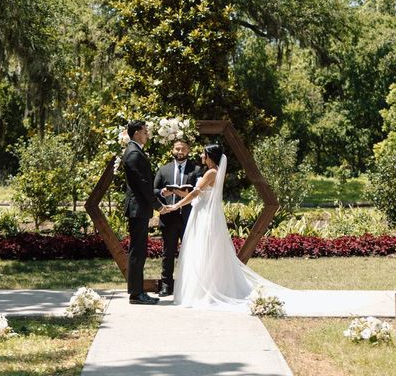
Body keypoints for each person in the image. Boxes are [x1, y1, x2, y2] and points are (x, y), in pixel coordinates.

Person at [161, 143, 287, 310]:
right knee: (208, 251)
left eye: (203, 154)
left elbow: (196, 193)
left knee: (201, 251)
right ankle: (208, 287)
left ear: (210, 157)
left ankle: (203, 290)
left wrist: (177, 206)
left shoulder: (211, 172)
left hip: (204, 214)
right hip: (204, 211)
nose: (201, 157)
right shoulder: (216, 171)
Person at [121, 119, 164, 305]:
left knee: (138, 251)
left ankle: (136, 291)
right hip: (138, 209)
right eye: (145, 131)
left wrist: (159, 193)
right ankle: (136, 294)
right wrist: (158, 205)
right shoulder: (133, 154)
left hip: (139, 208)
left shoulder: (135, 151)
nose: (147, 135)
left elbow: (143, 185)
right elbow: (143, 185)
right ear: (137, 132)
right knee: (138, 252)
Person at [154, 139, 201, 297]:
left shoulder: (196, 170)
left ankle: (190, 286)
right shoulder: (163, 169)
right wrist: (162, 193)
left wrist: (183, 193)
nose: (180, 152)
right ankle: (166, 286)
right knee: (168, 253)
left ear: (188, 151)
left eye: (183, 149)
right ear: (172, 150)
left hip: (189, 217)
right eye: (177, 149)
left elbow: (200, 193)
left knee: (191, 252)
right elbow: (153, 190)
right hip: (169, 217)